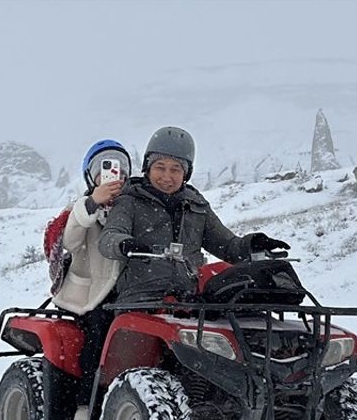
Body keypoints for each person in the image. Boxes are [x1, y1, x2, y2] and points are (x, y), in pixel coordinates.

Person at [99, 126, 289, 305]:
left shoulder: (196, 205)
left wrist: (252, 244)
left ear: (186, 173)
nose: (167, 176)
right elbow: (108, 238)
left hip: (190, 299)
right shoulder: (129, 200)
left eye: (176, 169)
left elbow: (228, 246)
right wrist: (124, 243)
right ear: (147, 168)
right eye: (160, 167)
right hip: (139, 298)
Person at [53, 139, 133, 420]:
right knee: (97, 337)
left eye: (120, 168)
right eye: (105, 168)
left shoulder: (132, 206)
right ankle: (84, 406)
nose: (114, 175)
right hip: (88, 296)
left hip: (126, 295)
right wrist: (93, 202)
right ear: (91, 175)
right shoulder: (82, 209)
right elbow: (70, 240)